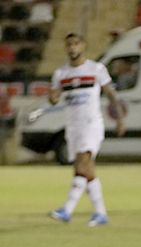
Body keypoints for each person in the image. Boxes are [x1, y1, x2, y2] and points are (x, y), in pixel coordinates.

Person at [48, 33, 125, 227]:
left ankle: (67, 209)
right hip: (72, 125)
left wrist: (120, 118)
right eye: (69, 45)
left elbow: (111, 95)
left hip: (91, 123)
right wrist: (53, 97)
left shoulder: (96, 69)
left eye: (76, 44)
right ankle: (100, 213)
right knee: (84, 170)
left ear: (83, 46)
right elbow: (54, 98)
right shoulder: (61, 73)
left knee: (83, 164)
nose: (72, 48)